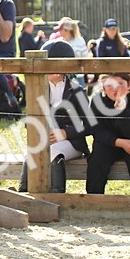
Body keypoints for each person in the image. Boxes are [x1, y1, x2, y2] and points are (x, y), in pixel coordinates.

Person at [20, 40, 89, 193]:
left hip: (72, 142)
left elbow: (89, 125)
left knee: (52, 151)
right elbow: (28, 121)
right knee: (33, 152)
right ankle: (23, 191)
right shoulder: (37, 89)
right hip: (44, 140)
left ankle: (58, 193)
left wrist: (65, 133)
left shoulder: (77, 90)